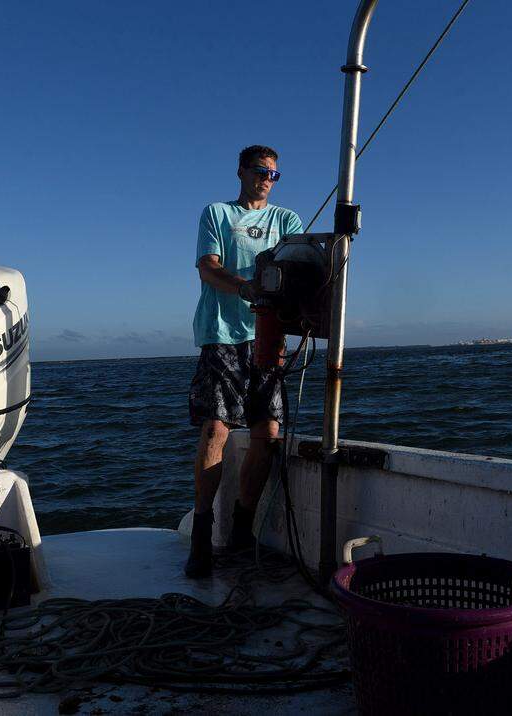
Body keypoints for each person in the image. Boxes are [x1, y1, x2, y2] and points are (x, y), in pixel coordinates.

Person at [185, 145, 304, 578]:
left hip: (268, 338)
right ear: (241, 171)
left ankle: (242, 529)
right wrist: (245, 287)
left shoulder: (287, 221)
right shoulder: (216, 213)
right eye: (260, 171)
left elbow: (299, 268)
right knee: (216, 427)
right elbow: (208, 269)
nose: (267, 179)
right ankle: (202, 533)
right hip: (222, 335)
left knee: (267, 435)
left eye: (274, 174)